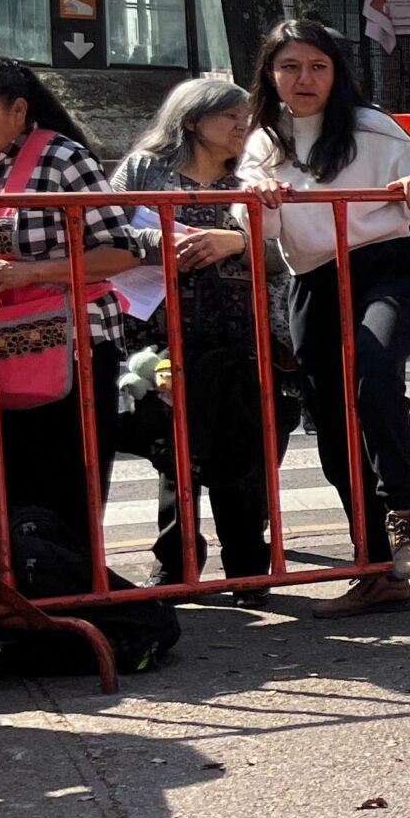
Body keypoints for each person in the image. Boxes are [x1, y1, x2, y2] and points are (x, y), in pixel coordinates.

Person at [243, 18, 410, 618]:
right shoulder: (264, 141)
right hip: (313, 280)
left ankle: (401, 512)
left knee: (374, 366)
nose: (303, 78)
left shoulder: (373, 127)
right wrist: (257, 201)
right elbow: (262, 234)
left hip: (386, 268)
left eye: (317, 65)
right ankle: (376, 569)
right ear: (269, 75)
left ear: (337, 72)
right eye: (289, 67)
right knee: (331, 420)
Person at [0, 49, 139, 546]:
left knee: (67, 485)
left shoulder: (63, 158)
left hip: (74, 349)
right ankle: (27, 589)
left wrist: (30, 273)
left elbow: (121, 251)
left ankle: (73, 595)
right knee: (10, 484)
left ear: (18, 111)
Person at [113, 78, 286, 601]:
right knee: (175, 451)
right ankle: (176, 562)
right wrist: (164, 240)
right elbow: (106, 231)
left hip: (245, 331)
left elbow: (296, 248)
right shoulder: (146, 169)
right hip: (161, 330)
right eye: (231, 116)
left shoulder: (258, 173)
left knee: (244, 449)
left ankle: (248, 567)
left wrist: (235, 242)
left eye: (246, 116)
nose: (243, 126)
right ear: (191, 121)